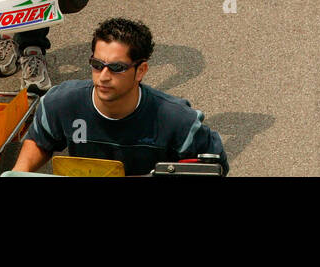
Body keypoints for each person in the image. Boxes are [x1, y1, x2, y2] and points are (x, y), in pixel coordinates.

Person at [13, 16, 228, 175]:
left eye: (116, 68)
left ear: (141, 71)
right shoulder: (60, 103)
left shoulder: (178, 120)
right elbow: (41, 141)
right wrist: (19, 172)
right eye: (97, 65)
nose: (103, 77)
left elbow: (214, 166)